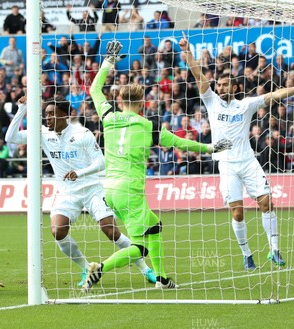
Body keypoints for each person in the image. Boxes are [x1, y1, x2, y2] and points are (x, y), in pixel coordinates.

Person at [82, 41, 232, 292]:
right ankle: (99, 268)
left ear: (119, 100)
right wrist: (210, 148)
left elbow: (95, 89)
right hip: (131, 191)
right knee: (139, 247)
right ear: (143, 103)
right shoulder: (148, 126)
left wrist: (109, 61)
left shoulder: (108, 117)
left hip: (109, 189)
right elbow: (181, 143)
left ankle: (162, 278)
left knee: (154, 227)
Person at [180, 32, 294, 270]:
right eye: (218, 83)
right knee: (238, 213)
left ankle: (274, 250)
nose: (220, 86)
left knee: (266, 202)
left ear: (235, 86)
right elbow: (198, 73)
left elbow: (274, 95)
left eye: (225, 83)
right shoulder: (211, 101)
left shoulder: (245, 104)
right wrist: (187, 51)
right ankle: (247, 254)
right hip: (227, 165)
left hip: (248, 161)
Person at [7, 95, 156, 287]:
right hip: (67, 193)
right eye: (46, 114)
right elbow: (10, 138)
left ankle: (146, 269)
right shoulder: (42, 133)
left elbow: (102, 162)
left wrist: (80, 173)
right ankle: (87, 268)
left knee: (110, 231)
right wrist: (22, 110)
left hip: (93, 189)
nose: (48, 118)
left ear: (65, 115)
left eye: (52, 114)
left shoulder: (82, 133)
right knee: (57, 231)